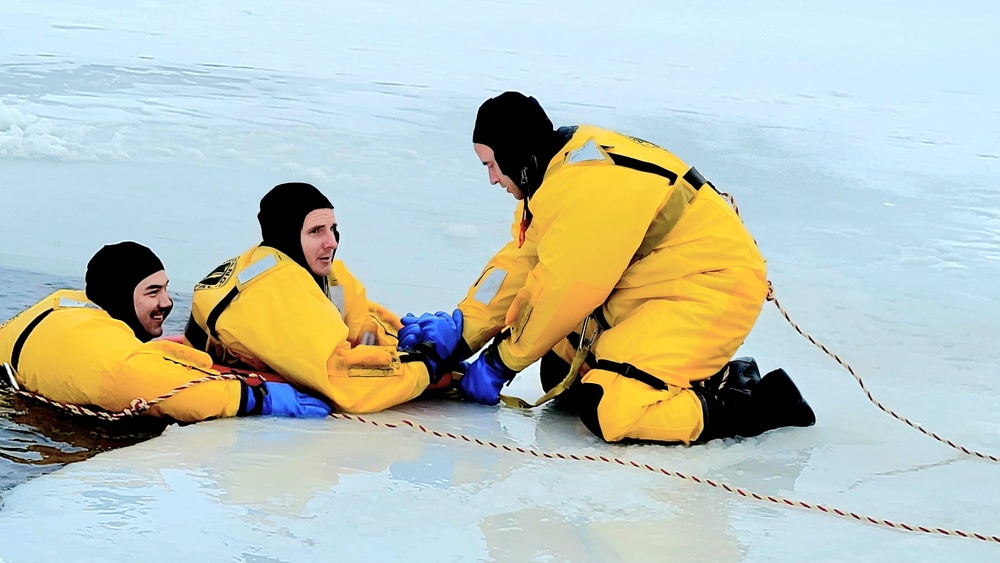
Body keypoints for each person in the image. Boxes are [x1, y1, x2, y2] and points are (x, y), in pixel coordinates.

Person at [399, 91, 815, 445]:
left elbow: (565, 290)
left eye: (491, 164)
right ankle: (696, 374)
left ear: (517, 158)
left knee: (609, 407)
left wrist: (500, 362)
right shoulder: (557, 171)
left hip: (709, 288)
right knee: (561, 367)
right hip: (655, 283)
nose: (491, 179)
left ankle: (755, 404)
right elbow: (524, 261)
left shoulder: (584, 187)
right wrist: (464, 327)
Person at [185, 182, 457, 414]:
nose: (332, 242)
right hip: (229, 360)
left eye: (332, 228)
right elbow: (342, 381)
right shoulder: (277, 288)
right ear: (287, 235)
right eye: (316, 231)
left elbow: (360, 323)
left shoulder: (321, 270)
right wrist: (427, 363)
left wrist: (407, 337)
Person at [0, 242, 330, 422]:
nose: (167, 302)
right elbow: (178, 389)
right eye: (152, 292)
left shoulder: (63, 304)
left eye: (166, 289)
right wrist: (258, 397)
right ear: (119, 296)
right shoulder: (111, 362)